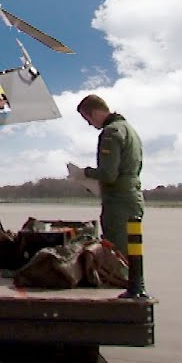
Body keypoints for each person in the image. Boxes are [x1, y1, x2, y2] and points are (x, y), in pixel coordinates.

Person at [71, 94, 144, 256]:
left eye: (88, 119)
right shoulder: (129, 129)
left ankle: (121, 281)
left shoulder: (111, 132)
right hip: (132, 198)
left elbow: (108, 174)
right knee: (131, 254)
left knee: (117, 254)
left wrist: (84, 173)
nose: (90, 124)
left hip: (118, 203)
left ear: (95, 113)